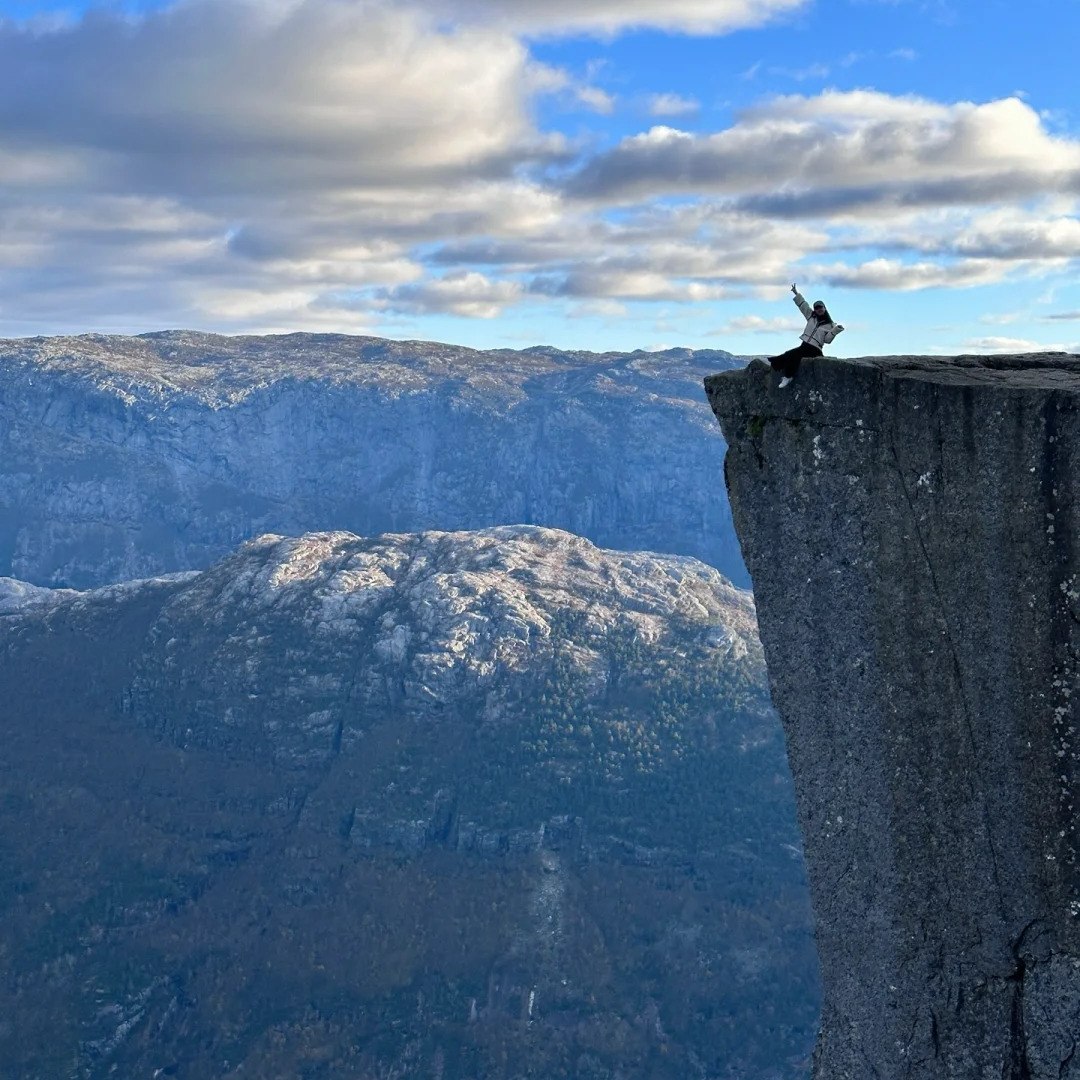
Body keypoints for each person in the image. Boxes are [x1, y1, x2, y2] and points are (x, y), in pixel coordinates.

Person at [768, 284, 844, 388]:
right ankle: (775, 364)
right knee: (788, 354)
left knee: (794, 356)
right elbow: (803, 305)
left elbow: (827, 340)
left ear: (824, 308)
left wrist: (835, 330)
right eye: (816, 308)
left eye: (820, 307)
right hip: (805, 345)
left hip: (815, 349)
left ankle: (788, 376)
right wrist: (796, 293)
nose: (818, 310)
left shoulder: (830, 325)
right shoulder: (811, 317)